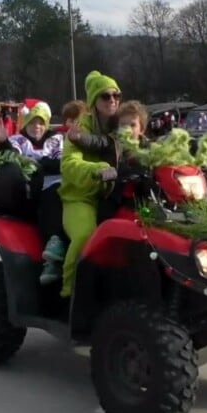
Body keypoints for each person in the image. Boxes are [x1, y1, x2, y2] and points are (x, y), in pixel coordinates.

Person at [58, 70, 122, 299]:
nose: (112, 100)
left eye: (116, 95)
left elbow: (140, 144)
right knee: (86, 235)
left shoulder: (121, 126)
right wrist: (98, 170)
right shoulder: (78, 130)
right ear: (95, 100)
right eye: (106, 96)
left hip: (113, 195)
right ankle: (70, 290)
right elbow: (69, 164)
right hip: (80, 198)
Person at [0, 102, 66, 285]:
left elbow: (62, 163)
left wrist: (39, 164)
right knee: (47, 201)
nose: (37, 127)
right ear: (26, 123)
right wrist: (3, 143)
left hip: (57, 184)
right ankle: (51, 257)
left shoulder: (56, 139)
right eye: (33, 122)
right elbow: (14, 159)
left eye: (41, 123)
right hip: (32, 188)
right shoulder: (19, 140)